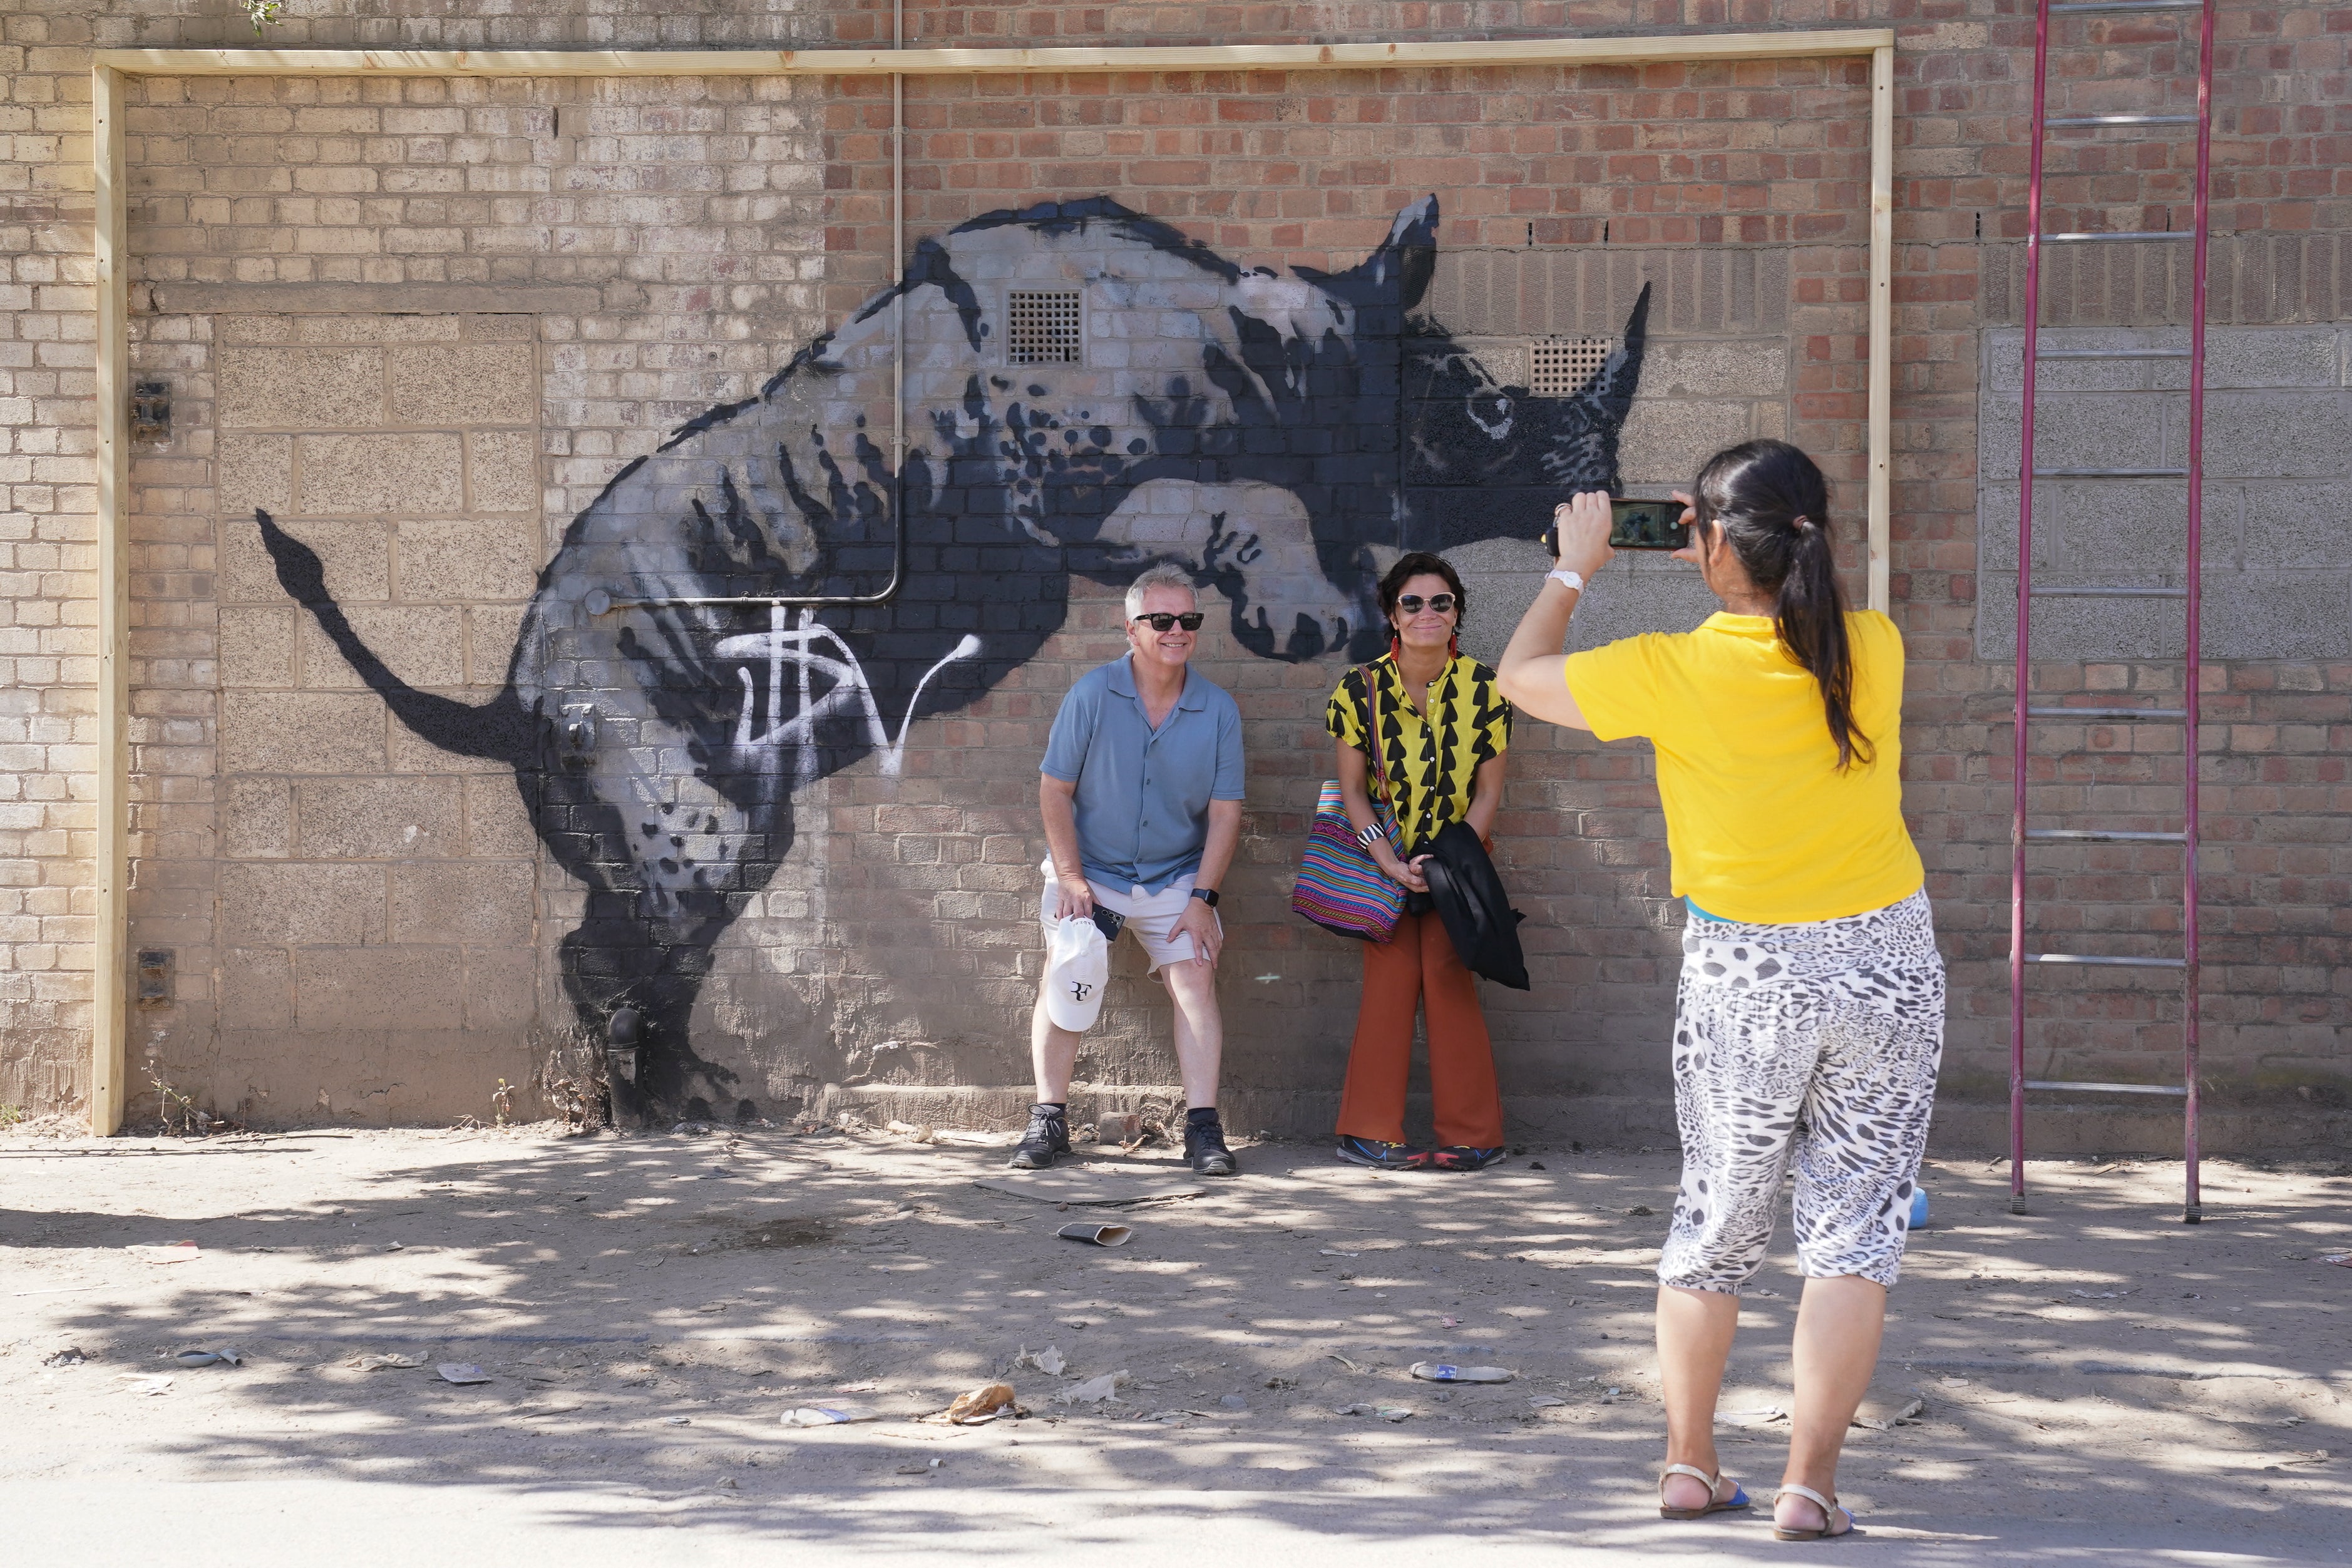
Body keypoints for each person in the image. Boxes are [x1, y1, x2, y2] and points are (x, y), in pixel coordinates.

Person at [1496, 441, 1942, 1541]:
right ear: (1810, 533)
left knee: (1715, 1224)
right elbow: (1818, 616)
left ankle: (1690, 1465)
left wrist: (1574, 567)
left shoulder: (1669, 667)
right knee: (1851, 1236)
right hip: (1885, 962)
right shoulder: (1875, 649)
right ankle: (1808, 1487)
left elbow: (1516, 677)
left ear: (1700, 543)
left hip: (1747, 972)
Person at [1015, 564, 1246, 1177]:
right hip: (1089, 872)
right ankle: (1048, 1118)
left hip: (1173, 877)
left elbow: (1225, 816)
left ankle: (1202, 1129)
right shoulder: (1092, 695)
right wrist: (1070, 879)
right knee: (1066, 973)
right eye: (1161, 620)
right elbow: (1053, 790)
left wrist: (1202, 898)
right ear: (1131, 629)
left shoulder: (1217, 710)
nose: (1176, 631)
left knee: (1194, 978)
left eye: (1187, 620)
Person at [1325, 552, 1512, 1173]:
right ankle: (1366, 1129)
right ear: (1391, 613)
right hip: (1384, 861)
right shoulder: (1359, 690)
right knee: (1388, 986)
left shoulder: (1485, 687)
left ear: (1456, 612)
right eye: (1413, 603)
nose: (1427, 613)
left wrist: (1450, 863)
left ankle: (1472, 1135)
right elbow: (1352, 792)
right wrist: (1387, 858)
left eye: (1441, 602)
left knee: (1451, 983)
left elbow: (1488, 791)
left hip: (1459, 864)